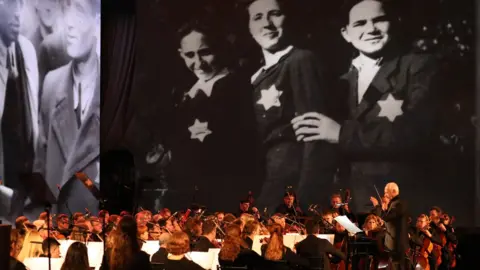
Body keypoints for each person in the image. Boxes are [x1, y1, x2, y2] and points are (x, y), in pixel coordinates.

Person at [292, 0, 443, 216]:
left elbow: (417, 131)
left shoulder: (418, 67)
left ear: (394, 22)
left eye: (380, 20)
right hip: (349, 206)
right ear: (346, 33)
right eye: (360, 23)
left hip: (401, 203)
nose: (371, 29)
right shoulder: (340, 82)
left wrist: (341, 133)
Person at [239, 0, 337, 213]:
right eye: (257, 17)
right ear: (248, 26)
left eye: (274, 14)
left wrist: (306, 200)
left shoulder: (300, 60)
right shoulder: (257, 75)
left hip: (292, 180)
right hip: (268, 178)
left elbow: (315, 134)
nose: (267, 24)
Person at [167, 18, 257, 213]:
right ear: (181, 55)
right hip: (190, 198)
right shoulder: (186, 96)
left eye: (205, 52)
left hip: (225, 198)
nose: (198, 63)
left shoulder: (237, 88)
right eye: (190, 55)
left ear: (219, 49)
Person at [35, 0, 100, 215]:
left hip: (97, 221)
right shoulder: (52, 84)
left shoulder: (115, 86)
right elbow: (42, 161)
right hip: (57, 224)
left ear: (97, 22)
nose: (69, 23)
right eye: (66, 12)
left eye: (79, 13)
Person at [0, 0, 40, 223]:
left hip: (24, 170)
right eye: (9, 4)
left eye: (20, 5)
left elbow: (33, 113)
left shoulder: (26, 49)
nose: (17, 14)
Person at [371, 182, 408, 269]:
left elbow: (387, 217)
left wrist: (377, 206)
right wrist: (384, 210)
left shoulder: (399, 204)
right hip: (392, 245)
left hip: (397, 245)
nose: (384, 194)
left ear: (394, 191)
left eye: (386, 192)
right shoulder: (394, 203)